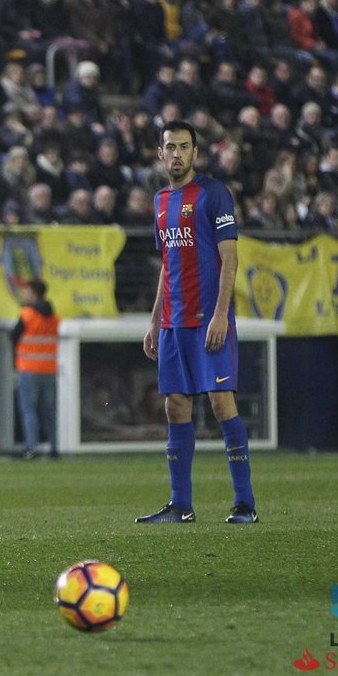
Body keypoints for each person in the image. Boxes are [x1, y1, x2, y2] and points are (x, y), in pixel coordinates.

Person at [138, 120, 259, 525]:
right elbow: (166, 266)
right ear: (160, 154)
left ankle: (245, 504)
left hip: (209, 320)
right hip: (172, 324)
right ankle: (180, 506)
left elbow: (230, 258)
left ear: (195, 153)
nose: (176, 153)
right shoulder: (159, 201)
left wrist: (222, 314)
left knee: (221, 402)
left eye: (184, 146)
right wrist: (155, 320)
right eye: (169, 146)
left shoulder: (214, 194)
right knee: (175, 406)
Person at [11, 278, 59, 459]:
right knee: (49, 411)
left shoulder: (28, 314)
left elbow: (14, 336)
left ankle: (32, 448)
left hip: (29, 368)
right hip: (50, 368)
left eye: (27, 290)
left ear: (33, 292)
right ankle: (55, 447)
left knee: (29, 409)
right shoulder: (54, 317)